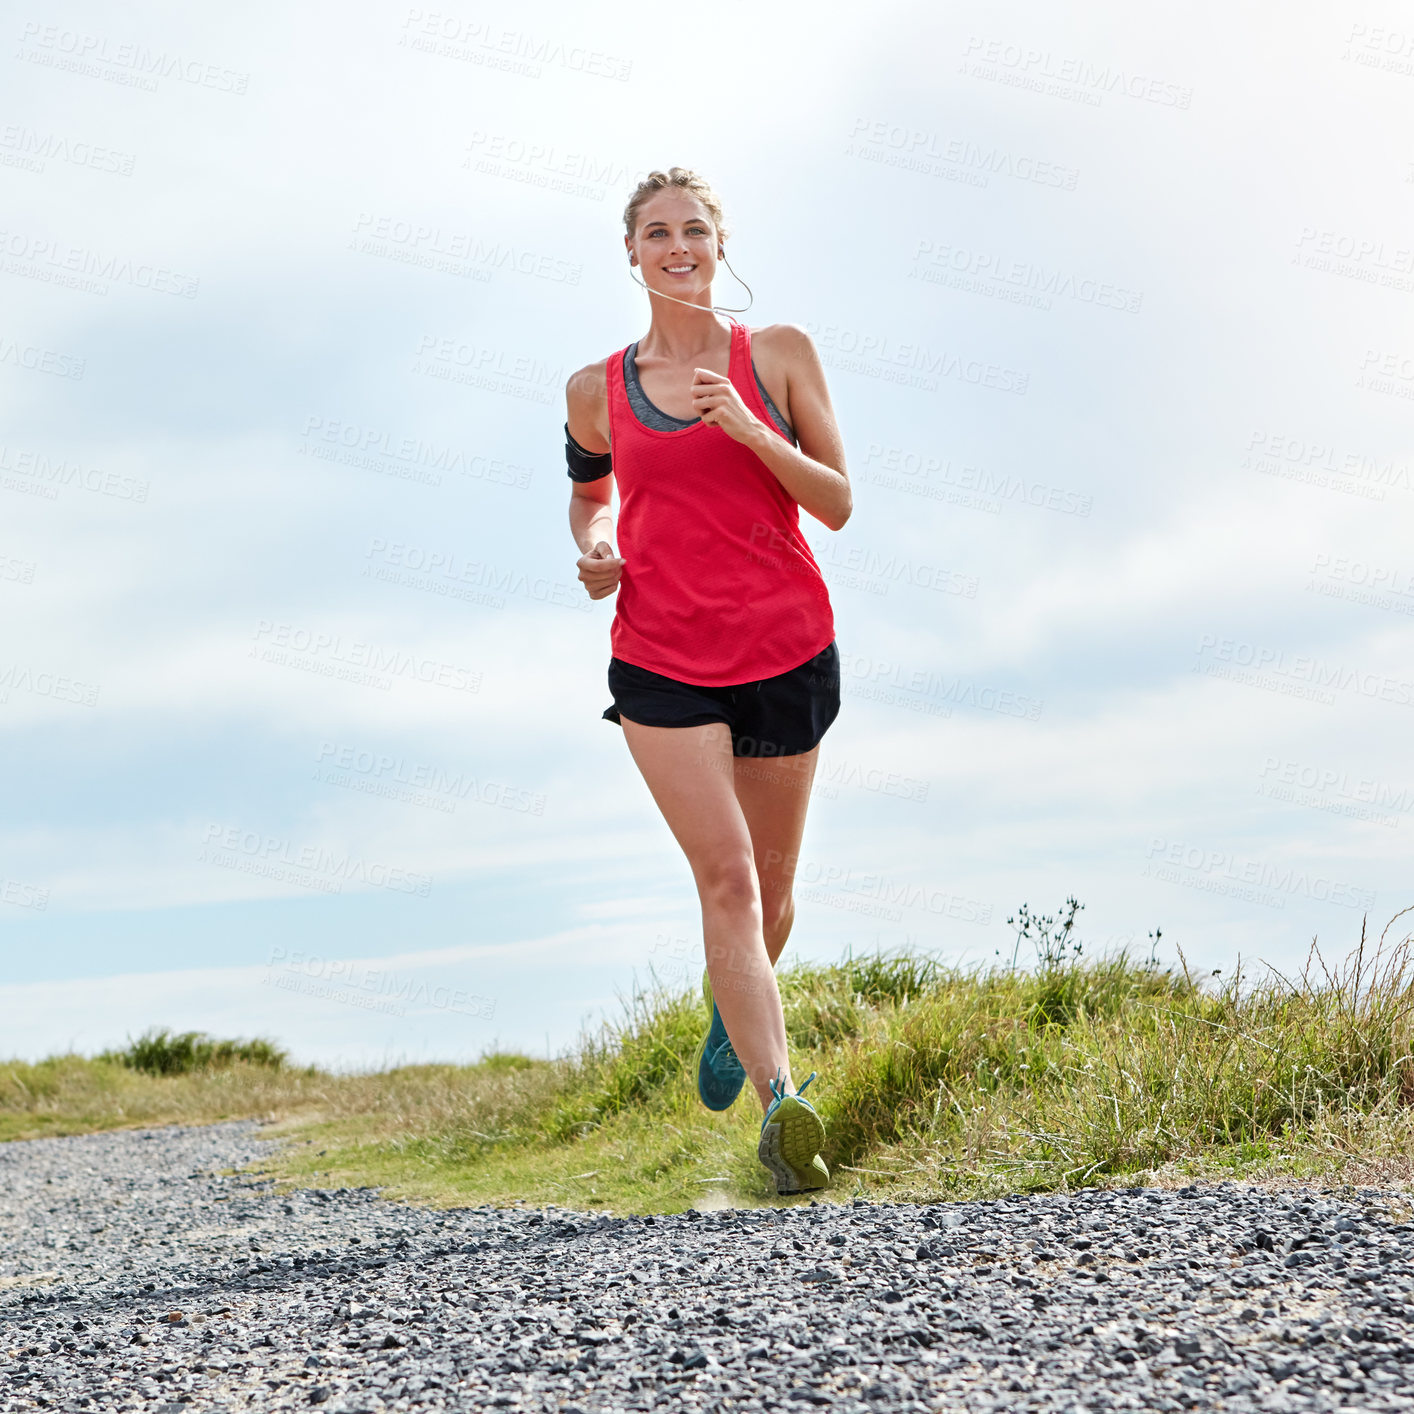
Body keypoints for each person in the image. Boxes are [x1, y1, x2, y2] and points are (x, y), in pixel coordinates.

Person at [562, 167, 852, 1195]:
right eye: (656, 233)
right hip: (660, 660)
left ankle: (732, 1008)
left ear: (720, 245)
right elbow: (591, 494)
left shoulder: (776, 356)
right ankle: (785, 1113)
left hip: (783, 648)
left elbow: (837, 502)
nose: (676, 246)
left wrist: (747, 429)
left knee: (770, 902)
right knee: (724, 877)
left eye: (693, 229)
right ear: (630, 253)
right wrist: (598, 546)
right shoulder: (596, 387)